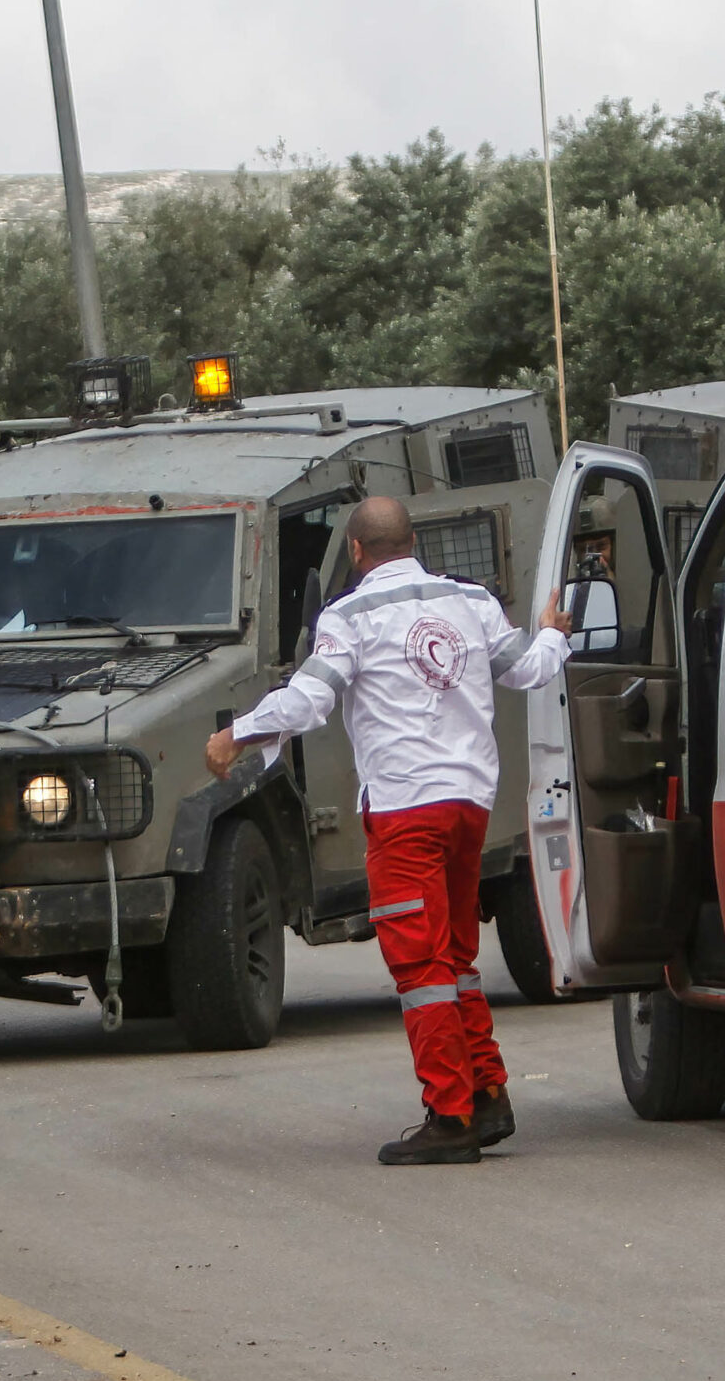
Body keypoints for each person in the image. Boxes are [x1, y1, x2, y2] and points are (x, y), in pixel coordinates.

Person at [205, 496, 571, 1165]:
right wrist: (552, 629)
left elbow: (312, 697)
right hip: (469, 806)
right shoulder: (471, 601)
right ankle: (487, 1093)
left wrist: (240, 732)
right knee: (456, 955)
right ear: (412, 542)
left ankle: (451, 1114)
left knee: (421, 964)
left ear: (355, 551)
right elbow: (530, 668)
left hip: (406, 809)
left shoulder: (349, 616)